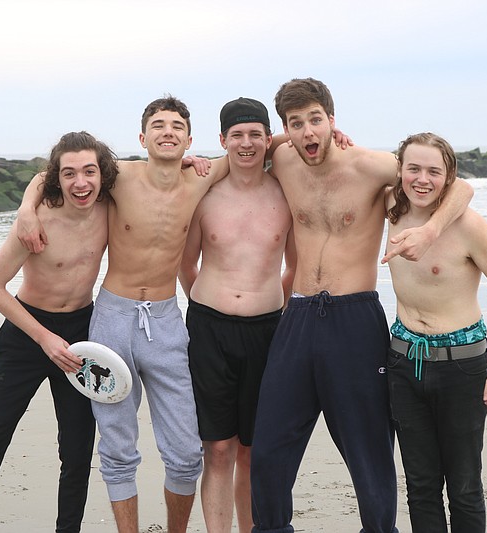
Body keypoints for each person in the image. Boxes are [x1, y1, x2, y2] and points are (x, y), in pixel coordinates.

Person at [249, 78, 475, 533]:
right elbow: (249, 149)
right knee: (270, 445)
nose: (308, 132)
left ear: (333, 121)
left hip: (354, 319)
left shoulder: (372, 167)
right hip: (296, 316)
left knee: (368, 447)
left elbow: (459, 187)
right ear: (286, 129)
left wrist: (428, 233)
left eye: (316, 120)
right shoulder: (285, 159)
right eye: (297, 124)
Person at [15, 96, 229, 533]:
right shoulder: (119, 177)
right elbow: (49, 174)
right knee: (116, 445)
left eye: (176, 126)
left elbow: (257, 146)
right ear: (142, 137)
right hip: (113, 320)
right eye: (158, 125)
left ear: (189, 138)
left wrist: (326, 134)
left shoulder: (202, 178)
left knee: (187, 453)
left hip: (167, 322)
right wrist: (25, 209)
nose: (167, 131)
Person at [0, 131, 118, 533]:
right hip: (26, 334)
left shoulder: (109, 207)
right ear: (57, 177)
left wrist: (190, 161)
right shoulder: (37, 221)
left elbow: (152, 176)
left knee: (76, 452)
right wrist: (43, 337)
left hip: (80, 334)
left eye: (89, 171)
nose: (81, 182)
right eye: (69, 173)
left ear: (102, 174)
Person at [384, 132, 487, 533]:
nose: (422, 179)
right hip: (403, 364)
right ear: (400, 171)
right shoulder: (390, 207)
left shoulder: (468, 227)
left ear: (448, 177)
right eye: (413, 168)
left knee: (463, 486)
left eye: (434, 171)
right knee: (420, 485)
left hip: (461, 368)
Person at [178, 97, 296, 533]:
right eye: (237, 135)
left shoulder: (285, 194)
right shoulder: (205, 194)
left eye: (255, 135)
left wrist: (271, 301)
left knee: (251, 448)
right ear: (223, 140)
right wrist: (208, 302)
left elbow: (296, 265)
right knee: (219, 448)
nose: (246, 144)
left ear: (268, 138)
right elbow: (185, 262)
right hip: (209, 329)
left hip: (267, 331)